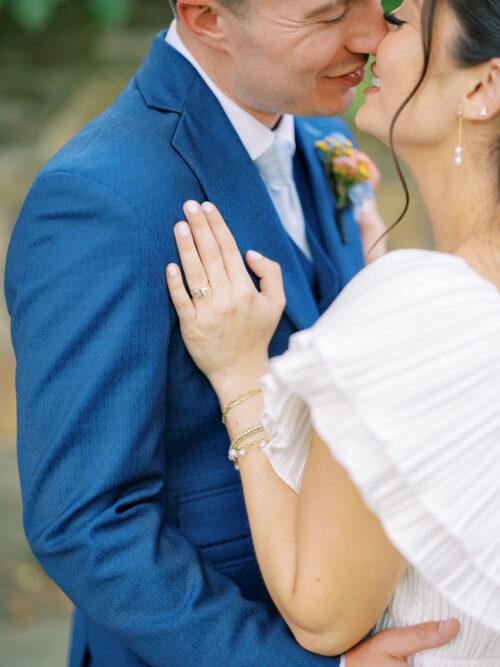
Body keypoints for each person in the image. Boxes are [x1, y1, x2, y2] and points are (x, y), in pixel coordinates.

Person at [5, 0, 456, 664]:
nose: (370, 35)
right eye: (328, 14)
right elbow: (88, 523)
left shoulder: (325, 138)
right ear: (207, 16)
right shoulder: (97, 200)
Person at [165, 0, 500, 664]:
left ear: (482, 87)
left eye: (401, 23)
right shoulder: (440, 303)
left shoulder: (415, 310)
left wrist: (239, 374)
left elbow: (319, 615)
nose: (374, 35)